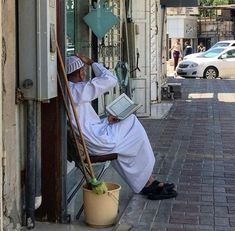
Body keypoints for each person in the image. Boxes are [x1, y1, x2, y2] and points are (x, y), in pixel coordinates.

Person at [66, 55, 177, 200]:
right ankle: (147, 182)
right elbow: (111, 79)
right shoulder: (76, 90)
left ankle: (147, 181)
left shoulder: (72, 90)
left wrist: (106, 120)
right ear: (81, 72)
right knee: (131, 122)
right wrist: (91, 62)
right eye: (83, 71)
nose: (85, 74)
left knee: (126, 140)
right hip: (97, 141)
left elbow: (86, 122)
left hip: (94, 136)